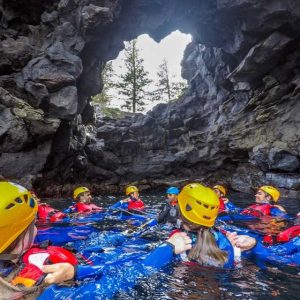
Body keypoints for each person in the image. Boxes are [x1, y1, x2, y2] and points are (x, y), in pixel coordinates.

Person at [0, 181, 191, 299]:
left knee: (112, 241)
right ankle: (128, 237)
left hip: (81, 258)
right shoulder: (35, 288)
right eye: (32, 225)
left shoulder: (13, 266)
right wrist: (166, 249)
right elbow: (120, 279)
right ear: (19, 235)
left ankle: (125, 236)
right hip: (89, 264)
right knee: (126, 249)